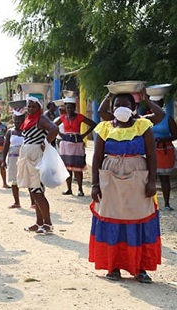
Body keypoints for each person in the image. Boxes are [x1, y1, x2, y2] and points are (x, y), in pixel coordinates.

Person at [89, 93, 160, 283]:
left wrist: (152, 181)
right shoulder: (104, 128)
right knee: (112, 219)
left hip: (138, 178)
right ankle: (113, 266)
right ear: (112, 109)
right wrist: (95, 184)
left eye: (126, 104)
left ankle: (140, 268)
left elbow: (152, 156)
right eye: (117, 104)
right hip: (109, 179)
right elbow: (96, 158)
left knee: (138, 219)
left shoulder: (143, 126)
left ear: (133, 108)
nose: (122, 108)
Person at [18, 97, 59, 234]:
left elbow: (54, 128)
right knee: (33, 190)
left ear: (39, 108)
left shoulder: (41, 119)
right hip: (28, 157)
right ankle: (39, 222)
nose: (30, 109)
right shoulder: (28, 119)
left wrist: (46, 142)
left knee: (38, 191)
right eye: (29, 107)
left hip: (37, 158)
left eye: (33, 107)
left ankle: (48, 223)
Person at [54, 97, 97, 196]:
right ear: (65, 108)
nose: (69, 110)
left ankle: (80, 189)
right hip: (65, 143)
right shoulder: (63, 118)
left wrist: (84, 135)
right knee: (67, 168)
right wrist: (60, 134)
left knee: (78, 167)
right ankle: (69, 188)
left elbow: (93, 124)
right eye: (68, 107)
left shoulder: (79, 117)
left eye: (71, 107)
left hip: (77, 143)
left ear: (74, 107)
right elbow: (53, 125)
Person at [1, 108, 35, 209]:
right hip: (13, 159)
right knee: (14, 181)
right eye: (15, 120)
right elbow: (5, 147)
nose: (16, 123)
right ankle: (17, 202)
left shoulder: (27, 130)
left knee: (29, 180)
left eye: (19, 121)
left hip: (26, 158)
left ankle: (33, 202)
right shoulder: (10, 132)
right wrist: (3, 160)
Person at [148, 95, 177, 211]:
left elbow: (175, 135)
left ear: (161, 104)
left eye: (156, 103)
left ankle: (166, 204)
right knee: (150, 178)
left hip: (165, 151)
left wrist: (163, 139)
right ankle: (151, 204)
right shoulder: (147, 118)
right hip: (151, 150)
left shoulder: (168, 119)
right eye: (152, 103)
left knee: (165, 178)